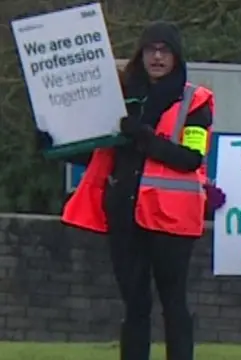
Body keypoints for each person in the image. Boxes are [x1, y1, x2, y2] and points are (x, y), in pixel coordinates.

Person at [37, 21, 224, 360]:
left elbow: (190, 157)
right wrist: (55, 143)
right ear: (140, 54)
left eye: (164, 50)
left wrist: (143, 137)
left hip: (172, 219)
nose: (156, 56)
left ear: (176, 57)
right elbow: (98, 151)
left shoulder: (195, 103)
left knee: (173, 304)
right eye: (150, 49)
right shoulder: (120, 97)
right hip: (125, 213)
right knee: (134, 304)